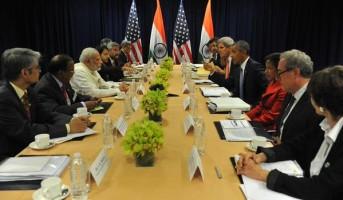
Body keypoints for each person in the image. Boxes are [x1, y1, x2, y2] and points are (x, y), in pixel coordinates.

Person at [236, 66, 343, 200]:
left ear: (323, 103)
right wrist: (263, 156)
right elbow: (296, 145)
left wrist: (263, 175)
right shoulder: (326, 122)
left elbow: (321, 189)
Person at [0, 48, 88, 159]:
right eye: (37, 67)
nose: (40, 70)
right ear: (25, 73)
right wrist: (68, 128)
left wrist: (72, 120)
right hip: (11, 157)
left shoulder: (28, 90)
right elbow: (25, 131)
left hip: (31, 148)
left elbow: (46, 115)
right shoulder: (3, 98)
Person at [275, 49, 323, 142]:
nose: (278, 78)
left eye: (280, 72)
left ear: (295, 73)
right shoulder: (290, 93)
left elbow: (307, 143)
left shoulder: (316, 101)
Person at [34, 54, 101, 115]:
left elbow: (73, 96)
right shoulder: (45, 88)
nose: (73, 73)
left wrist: (89, 98)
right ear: (61, 73)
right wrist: (83, 105)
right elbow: (56, 110)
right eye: (71, 71)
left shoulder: (62, 79)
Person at [246, 53, 287, 131]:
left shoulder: (283, 89)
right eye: (266, 68)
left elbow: (273, 116)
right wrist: (245, 116)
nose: (265, 72)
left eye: (269, 68)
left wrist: (251, 122)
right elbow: (260, 106)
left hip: (268, 128)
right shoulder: (272, 82)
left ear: (278, 69)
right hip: (258, 123)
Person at [227, 40, 268, 106]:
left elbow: (266, 91)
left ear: (244, 52)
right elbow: (235, 90)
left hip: (252, 109)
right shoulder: (237, 69)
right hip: (238, 107)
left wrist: (254, 106)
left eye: (234, 52)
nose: (231, 55)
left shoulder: (255, 68)